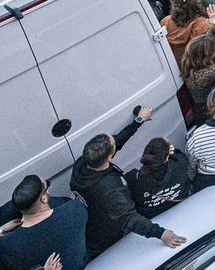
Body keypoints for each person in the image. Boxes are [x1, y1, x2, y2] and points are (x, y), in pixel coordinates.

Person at [69, 107, 185, 257]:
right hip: (108, 235)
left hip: (96, 217)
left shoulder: (85, 163)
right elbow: (130, 219)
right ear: (110, 157)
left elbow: (117, 141)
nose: (115, 138)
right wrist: (161, 234)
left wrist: (139, 120)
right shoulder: (110, 189)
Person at [0, 175, 89, 270]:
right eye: (47, 185)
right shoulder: (75, 209)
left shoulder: (6, 245)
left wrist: (0, 232)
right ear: (43, 199)